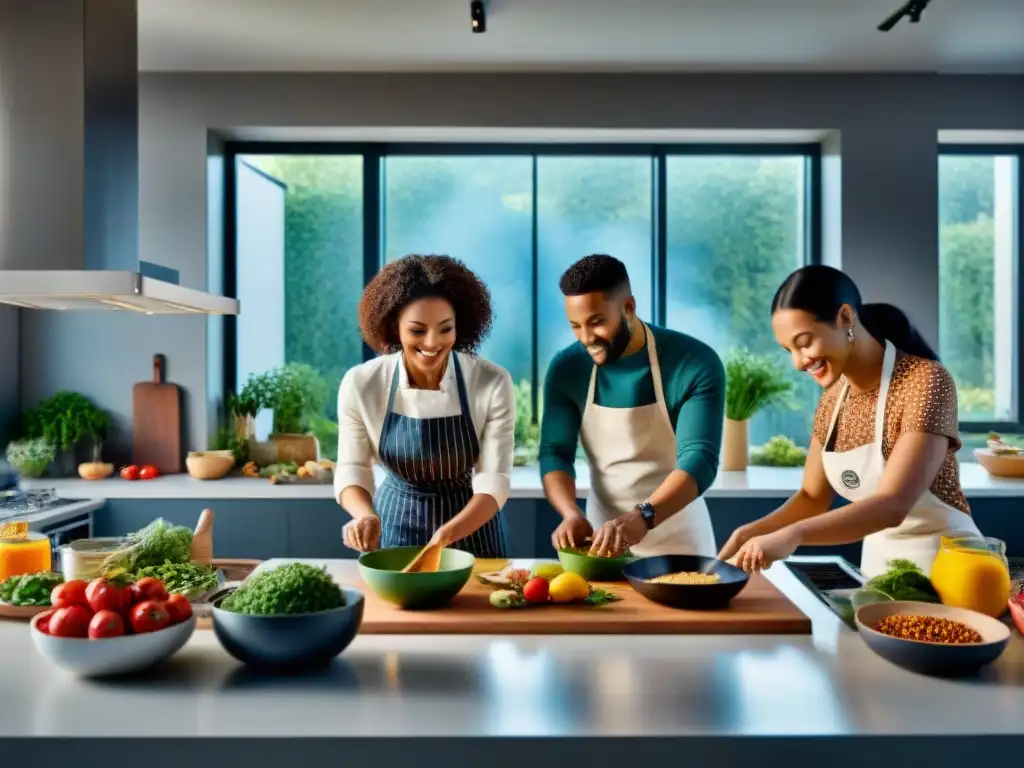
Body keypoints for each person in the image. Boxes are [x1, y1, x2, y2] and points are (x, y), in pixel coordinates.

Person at [717, 265, 982, 578]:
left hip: (953, 570)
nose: (799, 362)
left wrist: (795, 535)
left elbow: (893, 505)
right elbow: (812, 498)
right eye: (789, 350)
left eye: (804, 342)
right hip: (880, 575)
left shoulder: (923, 381)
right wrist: (748, 533)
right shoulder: (832, 400)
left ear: (845, 317)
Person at [540, 254, 725, 558]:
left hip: (680, 543)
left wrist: (643, 516)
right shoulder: (567, 368)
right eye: (576, 326)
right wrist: (570, 513)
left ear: (628, 308)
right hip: (603, 545)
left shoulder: (693, 362)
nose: (587, 339)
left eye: (597, 322)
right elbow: (555, 453)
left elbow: (699, 459)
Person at [334, 254, 515, 558]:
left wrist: (447, 534)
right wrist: (364, 515)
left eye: (445, 329)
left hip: (473, 531)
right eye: (417, 330)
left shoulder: (491, 381)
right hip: (392, 531)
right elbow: (352, 468)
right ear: (394, 327)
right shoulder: (362, 382)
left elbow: (494, 482)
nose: (432, 343)